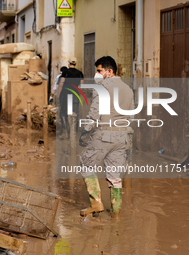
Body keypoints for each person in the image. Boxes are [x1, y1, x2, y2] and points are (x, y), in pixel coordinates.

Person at [79, 56, 133, 219]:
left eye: (99, 71)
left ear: (109, 71)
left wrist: (84, 132)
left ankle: (96, 203)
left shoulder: (101, 88)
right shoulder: (128, 89)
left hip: (103, 135)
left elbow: (94, 114)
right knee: (115, 175)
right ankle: (115, 214)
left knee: (86, 165)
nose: (97, 74)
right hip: (121, 136)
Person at [57, 57, 84, 139]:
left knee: (63, 113)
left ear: (69, 63)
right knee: (75, 113)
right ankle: (74, 133)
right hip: (75, 95)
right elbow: (82, 86)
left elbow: (61, 84)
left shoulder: (65, 72)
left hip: (65, 94)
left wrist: (58, 95)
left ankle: (65, 132)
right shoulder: (80, 73)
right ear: (75, 64)